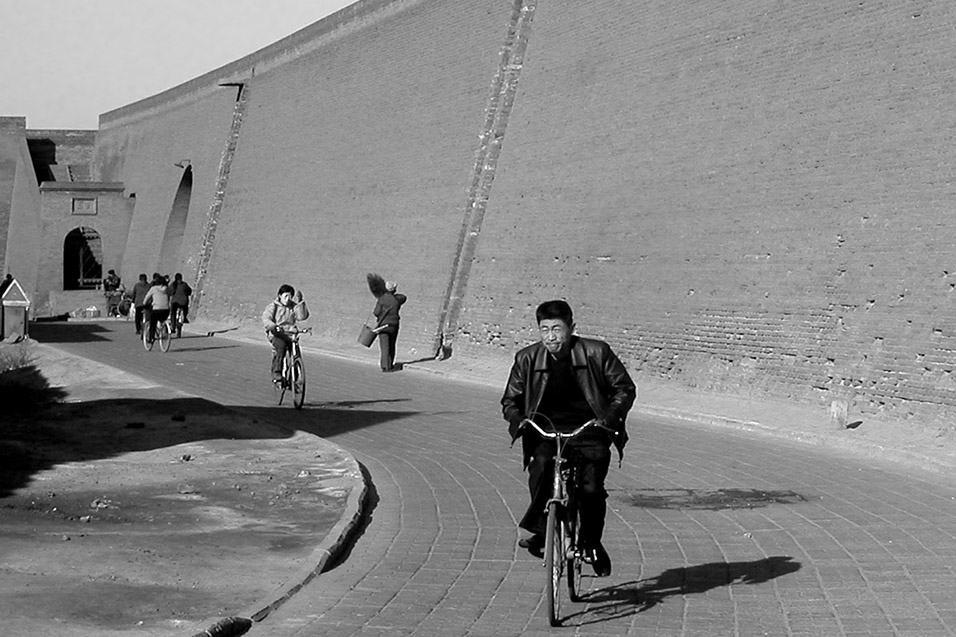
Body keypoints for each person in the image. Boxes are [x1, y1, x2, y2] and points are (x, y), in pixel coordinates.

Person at [501, 300, 636, 577]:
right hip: (546, 430)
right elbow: (510, 400)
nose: (551, 337)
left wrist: (608, 419)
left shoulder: (596, 352)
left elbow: (624, 388)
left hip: (590, 429)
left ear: (571, 328)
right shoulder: (527, 358)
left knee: (591, 489)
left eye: (557, 329)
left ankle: (591, 542)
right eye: (545, 329)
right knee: (540, 467)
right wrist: (520, 420)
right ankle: (543, 529)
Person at [261, 284, 310, 382]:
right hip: (277, 334)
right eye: (285, 296)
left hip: (290, 334)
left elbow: (302, 316)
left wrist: (300, 303)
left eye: (290, 296)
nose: (288, 299)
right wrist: (274, 326)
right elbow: (266, 319)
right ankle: (277, 373)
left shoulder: (293, 306)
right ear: (280, 296)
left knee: (295, 352)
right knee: (281, 346)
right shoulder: (273, 307)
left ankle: (295, 379)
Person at [371, 280, 407, 372]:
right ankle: (390, 364)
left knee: (384, 346)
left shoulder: (381, 299)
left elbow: (376, 312)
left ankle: (385, 366)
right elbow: (404, 297)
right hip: (394, 325)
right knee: (392, 344)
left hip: (383, 325)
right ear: (394, 290)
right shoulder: (397, 299)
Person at [142, 273, 170, 343]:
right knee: (163, 320)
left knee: (153, 323)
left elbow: (146, 298)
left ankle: (151, 338)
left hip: (156, 309)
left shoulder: (153, 289)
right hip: (166, 310)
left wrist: (144, 304)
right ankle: (164, 329)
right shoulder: (166, 288)